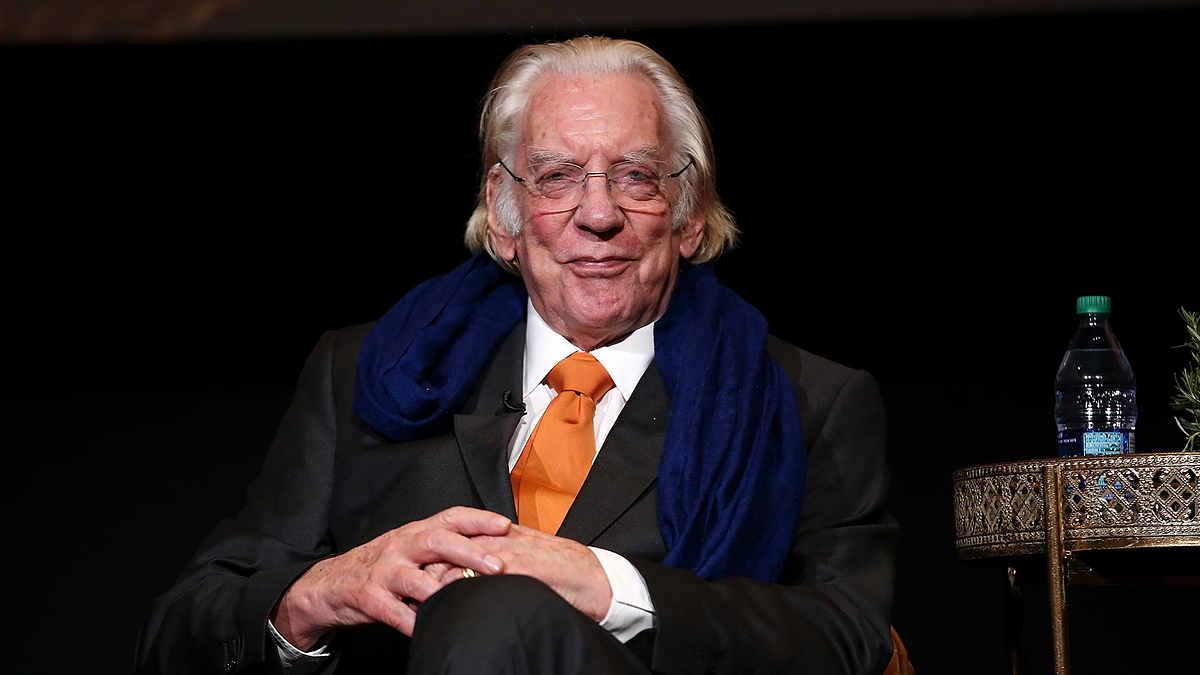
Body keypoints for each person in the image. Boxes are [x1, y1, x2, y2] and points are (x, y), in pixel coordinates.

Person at [137, 36, 898, 675]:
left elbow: (848, 639)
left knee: (492, 615)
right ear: (504, 216)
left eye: (635, 176)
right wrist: (309, 597)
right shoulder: (363, 373)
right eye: (558, 177)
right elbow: (178, 634)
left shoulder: (810, 399)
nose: (597, 215)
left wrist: (606, 584)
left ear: (690, 214)